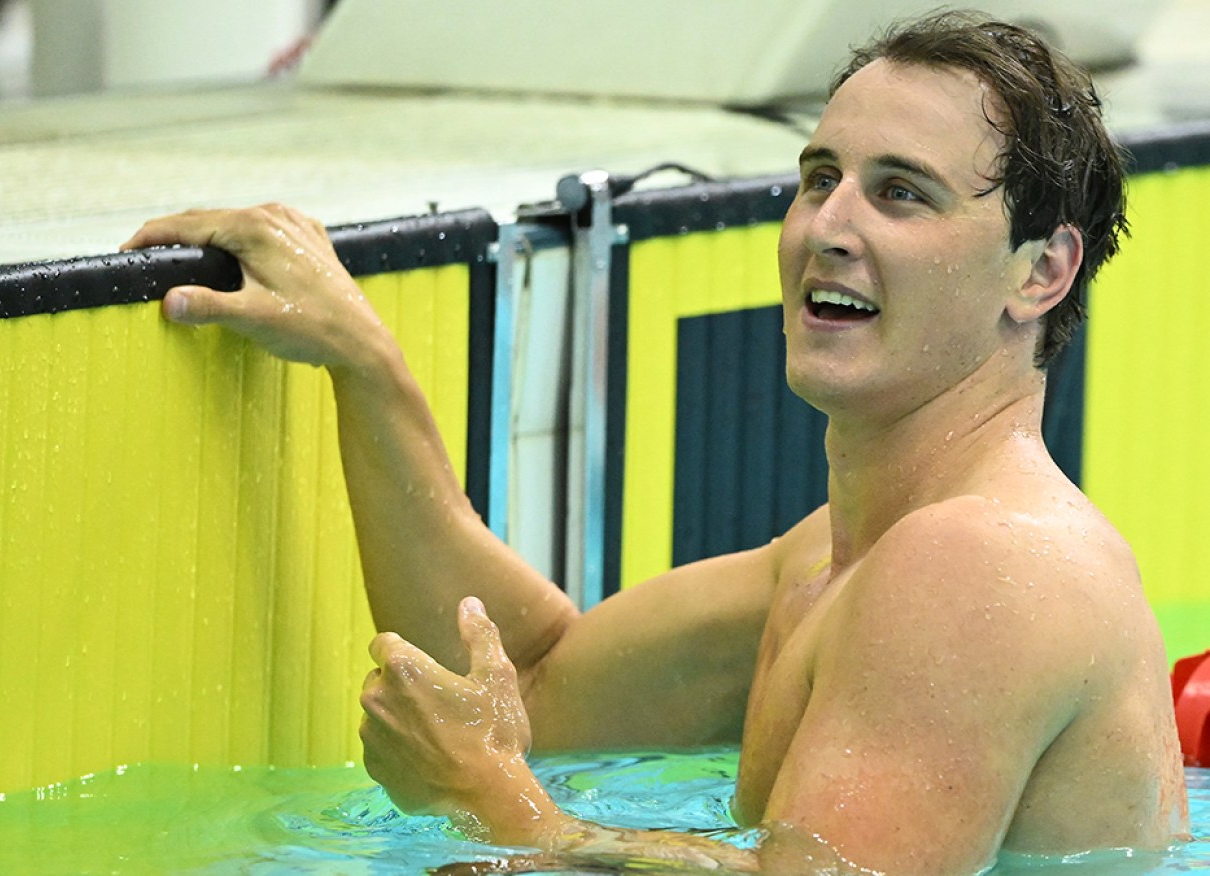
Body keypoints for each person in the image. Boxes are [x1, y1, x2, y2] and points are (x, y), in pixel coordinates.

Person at [122, 11, 1189, 873]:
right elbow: (528, 687)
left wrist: (489, 802)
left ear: (1039, 272)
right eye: (820, 177)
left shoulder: (979, 565)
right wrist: (367, 370)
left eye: (900, 193)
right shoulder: (833, 559)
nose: (827, 226)